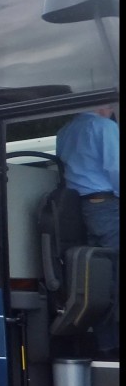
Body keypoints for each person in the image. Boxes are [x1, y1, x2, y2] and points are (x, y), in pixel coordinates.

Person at [55, 103, 119, 354]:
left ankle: (108, 346)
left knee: (101, 280)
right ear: (105, 103)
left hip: (82, 209)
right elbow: (116, 168)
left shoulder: (65, 131)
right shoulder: (104, 127)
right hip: (108, 206)